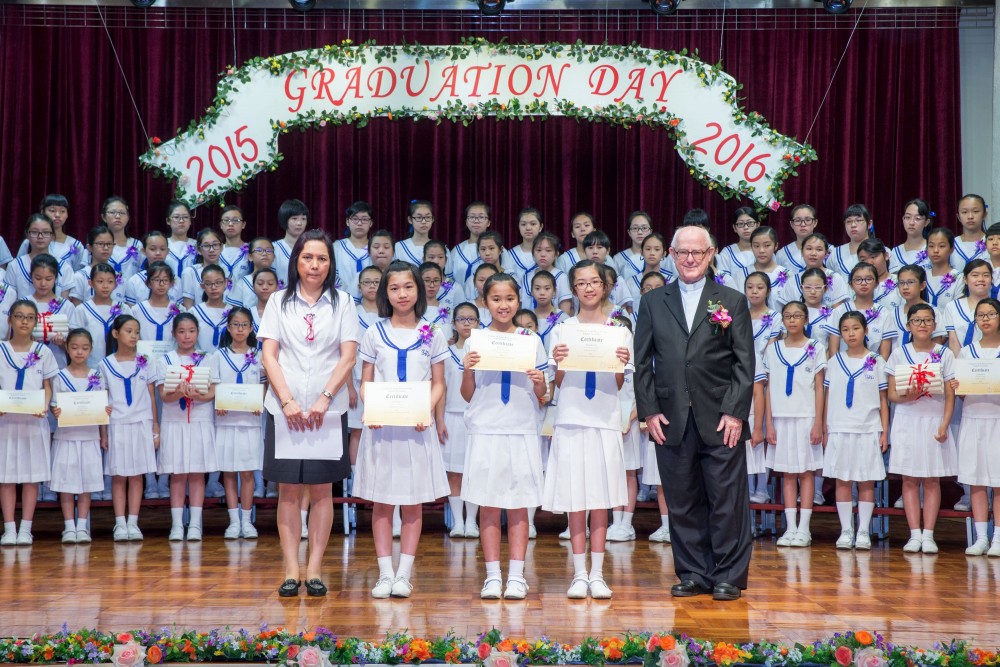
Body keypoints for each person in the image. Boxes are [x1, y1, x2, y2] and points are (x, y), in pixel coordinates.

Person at [633, 225, 754, 601]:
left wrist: (735, 412)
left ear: (711, 253)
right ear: (670, 254)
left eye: (697, 252)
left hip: (720, 418)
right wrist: (649, 411)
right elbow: (642, 363)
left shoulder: (731, 301)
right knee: (682, 500)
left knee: (726, 500)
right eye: (682, 252)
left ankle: (728, 575)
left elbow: (744, 363)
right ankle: (693, 573)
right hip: (670, 418)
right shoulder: (653, 302)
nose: (689, 259)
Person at [259, 229, 357, 597]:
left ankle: (314, 569)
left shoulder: (343, 302)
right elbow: (269, 355)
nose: (314, 265)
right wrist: (286, 401)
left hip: (327, 412)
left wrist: (325, 397)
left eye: (322, 259)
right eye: (307, 258)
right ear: (296, 261)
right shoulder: (278, 301)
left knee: (321, 491)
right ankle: (290, 569)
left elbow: (348, 356)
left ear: (330, 264)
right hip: (285, 411)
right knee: (287, 491)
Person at [353, 260, 450, 599]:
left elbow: (439, 383)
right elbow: (365, 381)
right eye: (394, 288)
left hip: (417, 429)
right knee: (381, 502)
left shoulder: (433, 332)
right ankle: (384, 574)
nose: (402, 294)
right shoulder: (373, 332)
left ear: (418, 290)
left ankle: (404, 574)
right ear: (385, 293)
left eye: (408, 286)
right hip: (382, 429)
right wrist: (371, 407)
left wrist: (426, 410)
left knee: (412, 503)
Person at [543, 260, 632, 600]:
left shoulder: (619, 331)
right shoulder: (562, 330)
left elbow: (619, 382)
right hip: (572, 418)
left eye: (594, 281)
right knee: (575, 497)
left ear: (605, 286)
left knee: (601, 498)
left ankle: (598, 574)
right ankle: (579, 573)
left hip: (604, 420)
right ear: (574, 289)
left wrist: (620, 362)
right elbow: (557, 381)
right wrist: (559, 361)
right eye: (581, 283)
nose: (589, 288)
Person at [462, 273, 549, 599]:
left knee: (518, 504)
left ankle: (516, 576)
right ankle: (492, 576)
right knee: (487, 504)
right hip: (486, 428)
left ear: (518, 301)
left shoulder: (531, 340)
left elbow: (543, 394)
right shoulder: (475, 341)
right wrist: (468, 369)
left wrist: (539, 381)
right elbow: (468, 394)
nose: (503, 305)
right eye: (496, 299)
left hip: (520, 427)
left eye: (509, 299)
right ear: (485, 302)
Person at [886, 303, 957, 553]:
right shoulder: (899, 354)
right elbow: (892, 395)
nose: (922, 325)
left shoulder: (944, 354)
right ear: (908, 326)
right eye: (917, 320)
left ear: (935, 325)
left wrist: (944, 424)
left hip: (933, 421)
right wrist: (910, 394)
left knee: (931, 478)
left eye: (927, 320)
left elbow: (950, 395)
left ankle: (929, 535)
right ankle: (914, 534)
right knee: (909, 478)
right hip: (907, 420)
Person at [755, 301, 826, 547]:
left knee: (806, 473)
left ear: (806, 319)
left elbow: (819, 388)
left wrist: (818, 423)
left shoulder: (816, 347)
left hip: (806, 417)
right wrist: (769, 423)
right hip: (781, 419)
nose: (792, 320)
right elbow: (767, 389)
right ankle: (791, 528)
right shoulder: (772, 349)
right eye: (787, 316)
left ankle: (804, 529)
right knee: (787, 474)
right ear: (782, 320)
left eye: (797, 315)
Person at [823, 312, 888, 551]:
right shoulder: (834, 361)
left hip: (868, 427)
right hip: (840, 426)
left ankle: (863, 531)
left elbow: (883, 399)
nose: (851, 333)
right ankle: (846, 530)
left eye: (856, 328)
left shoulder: (876, 361)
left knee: (866, 481)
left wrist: (884, 431)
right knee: (842, 480)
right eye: (846, 329)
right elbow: (828, 396)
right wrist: (825, 428)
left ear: (866, 330)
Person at [0, 300, 58, 546]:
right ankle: (9, 528)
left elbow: (48, 387)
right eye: (19, 316)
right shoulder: (1, 350)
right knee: (6, 476)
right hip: (6, 423)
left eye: (30, 317)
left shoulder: (44, 352)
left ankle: (26, 528)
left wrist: (43, 405)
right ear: (10, 319)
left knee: (31, 476)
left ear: (36, 322)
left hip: (34, 422)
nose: (24, 321)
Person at [157, 313, 218, 542]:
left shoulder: (207, 358)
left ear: (198, 333)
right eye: (181, 331)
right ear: (174, 334)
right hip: (175, 421)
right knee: (178, 473)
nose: (186, 336)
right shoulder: (165, 360)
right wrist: (179, 393)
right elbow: (164, 396)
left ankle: (194, 524)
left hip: (200, 420)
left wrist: (197, 395)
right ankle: (176, 525)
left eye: (191, 331)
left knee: (197, 473)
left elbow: (212, 392)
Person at [101, 314, 158, 541]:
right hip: (117, 423)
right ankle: (120, 523)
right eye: (128, 331)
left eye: (136, 332)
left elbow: (151, 395)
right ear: (116, 334)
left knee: (136, 475)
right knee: (119, 475)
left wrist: (155, 426)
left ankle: (133, 522)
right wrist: (103, 432)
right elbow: (103, 400)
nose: (134, 336)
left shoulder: (146, 361)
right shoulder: (105, 364)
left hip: (141, 422)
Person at [50, 328, 108, 543]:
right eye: (74, 347)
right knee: (66, 483)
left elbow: (102, 407)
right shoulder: (59, 376)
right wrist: (55, 411)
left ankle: (82, 526)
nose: (79, 352)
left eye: (84, 348)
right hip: (66, 437)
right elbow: (54, 405)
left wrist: (104, 432)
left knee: (86, 483)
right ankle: (69, 527)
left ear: (91, 349)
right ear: (67, 348)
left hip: (90, 436)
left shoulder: (96, 376)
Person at [213, 307, 264, 540]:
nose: (240, 329)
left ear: (251, 328)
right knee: (229, 471)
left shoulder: (259, 355)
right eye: (236, 325)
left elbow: (265, 385)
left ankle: (247, 520)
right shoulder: (219, 356)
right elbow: (214, 386)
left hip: (250, 422)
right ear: (229, 327)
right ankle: (233, 521)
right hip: (226, 421)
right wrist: (218, 402)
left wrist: (260, 402)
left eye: (244, 325)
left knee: (247, 472)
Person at [957, 298, 1000, 555]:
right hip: (973, 419)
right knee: (976, 481)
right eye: (981, 315)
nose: (986, 319)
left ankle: (998, 539)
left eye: (991, 314)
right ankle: (981, 537)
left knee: (999, 482)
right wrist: (958, 386)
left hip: (997, 420)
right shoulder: (967, 352)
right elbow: (962, 392)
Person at [437, 302, 479, 538]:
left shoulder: (483, 352)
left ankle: (472, 522)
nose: (466, 323)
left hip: (477, 417)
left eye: (471, 319)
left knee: (474, 471)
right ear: (453, 323)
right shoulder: (446, 352)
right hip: (452, 416)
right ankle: (458, 522)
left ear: (478, 323)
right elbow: (441, 388)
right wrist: (439, 419)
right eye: (461, 319)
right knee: (454, 472)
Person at [335, 201, 374, 301]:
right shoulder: (337, 247)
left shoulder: (376, 247)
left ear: (371, 223)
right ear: (347, 221)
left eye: (364, 219)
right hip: (341, 300)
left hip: (371, 302)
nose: (359, 223)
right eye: (355, 219)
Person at [889, 199, 934, 273]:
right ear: (903, 219)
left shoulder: (932, 248)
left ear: (926, 222)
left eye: (917, 218)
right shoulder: (896, 252)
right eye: (907, 217)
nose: (911, 223)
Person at [273, 199, 310, 286]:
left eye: (303, 219)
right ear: (284, 220)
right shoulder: (273, 248)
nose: (299, 223)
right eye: (294, 218)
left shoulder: (311, 247)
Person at [925, 228, 964, 308]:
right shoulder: (922, 276)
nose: (935, 250)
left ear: (951, 249)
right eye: (931, 246)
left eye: (941, 246)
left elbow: (958, 308)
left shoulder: (959, 278)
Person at [951, 194, 989, 270]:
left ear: (984, 214)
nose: (970, 216)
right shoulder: (951, 244)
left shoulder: (991, 242)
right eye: (964, 212)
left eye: (975, 211)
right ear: (958, 217)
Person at [395, 200, 437, 267]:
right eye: (419, 217)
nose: (424, 221)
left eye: (428, 217)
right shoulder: (399, 247)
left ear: (433, 219)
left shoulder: (440, 247)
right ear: (410, 220)